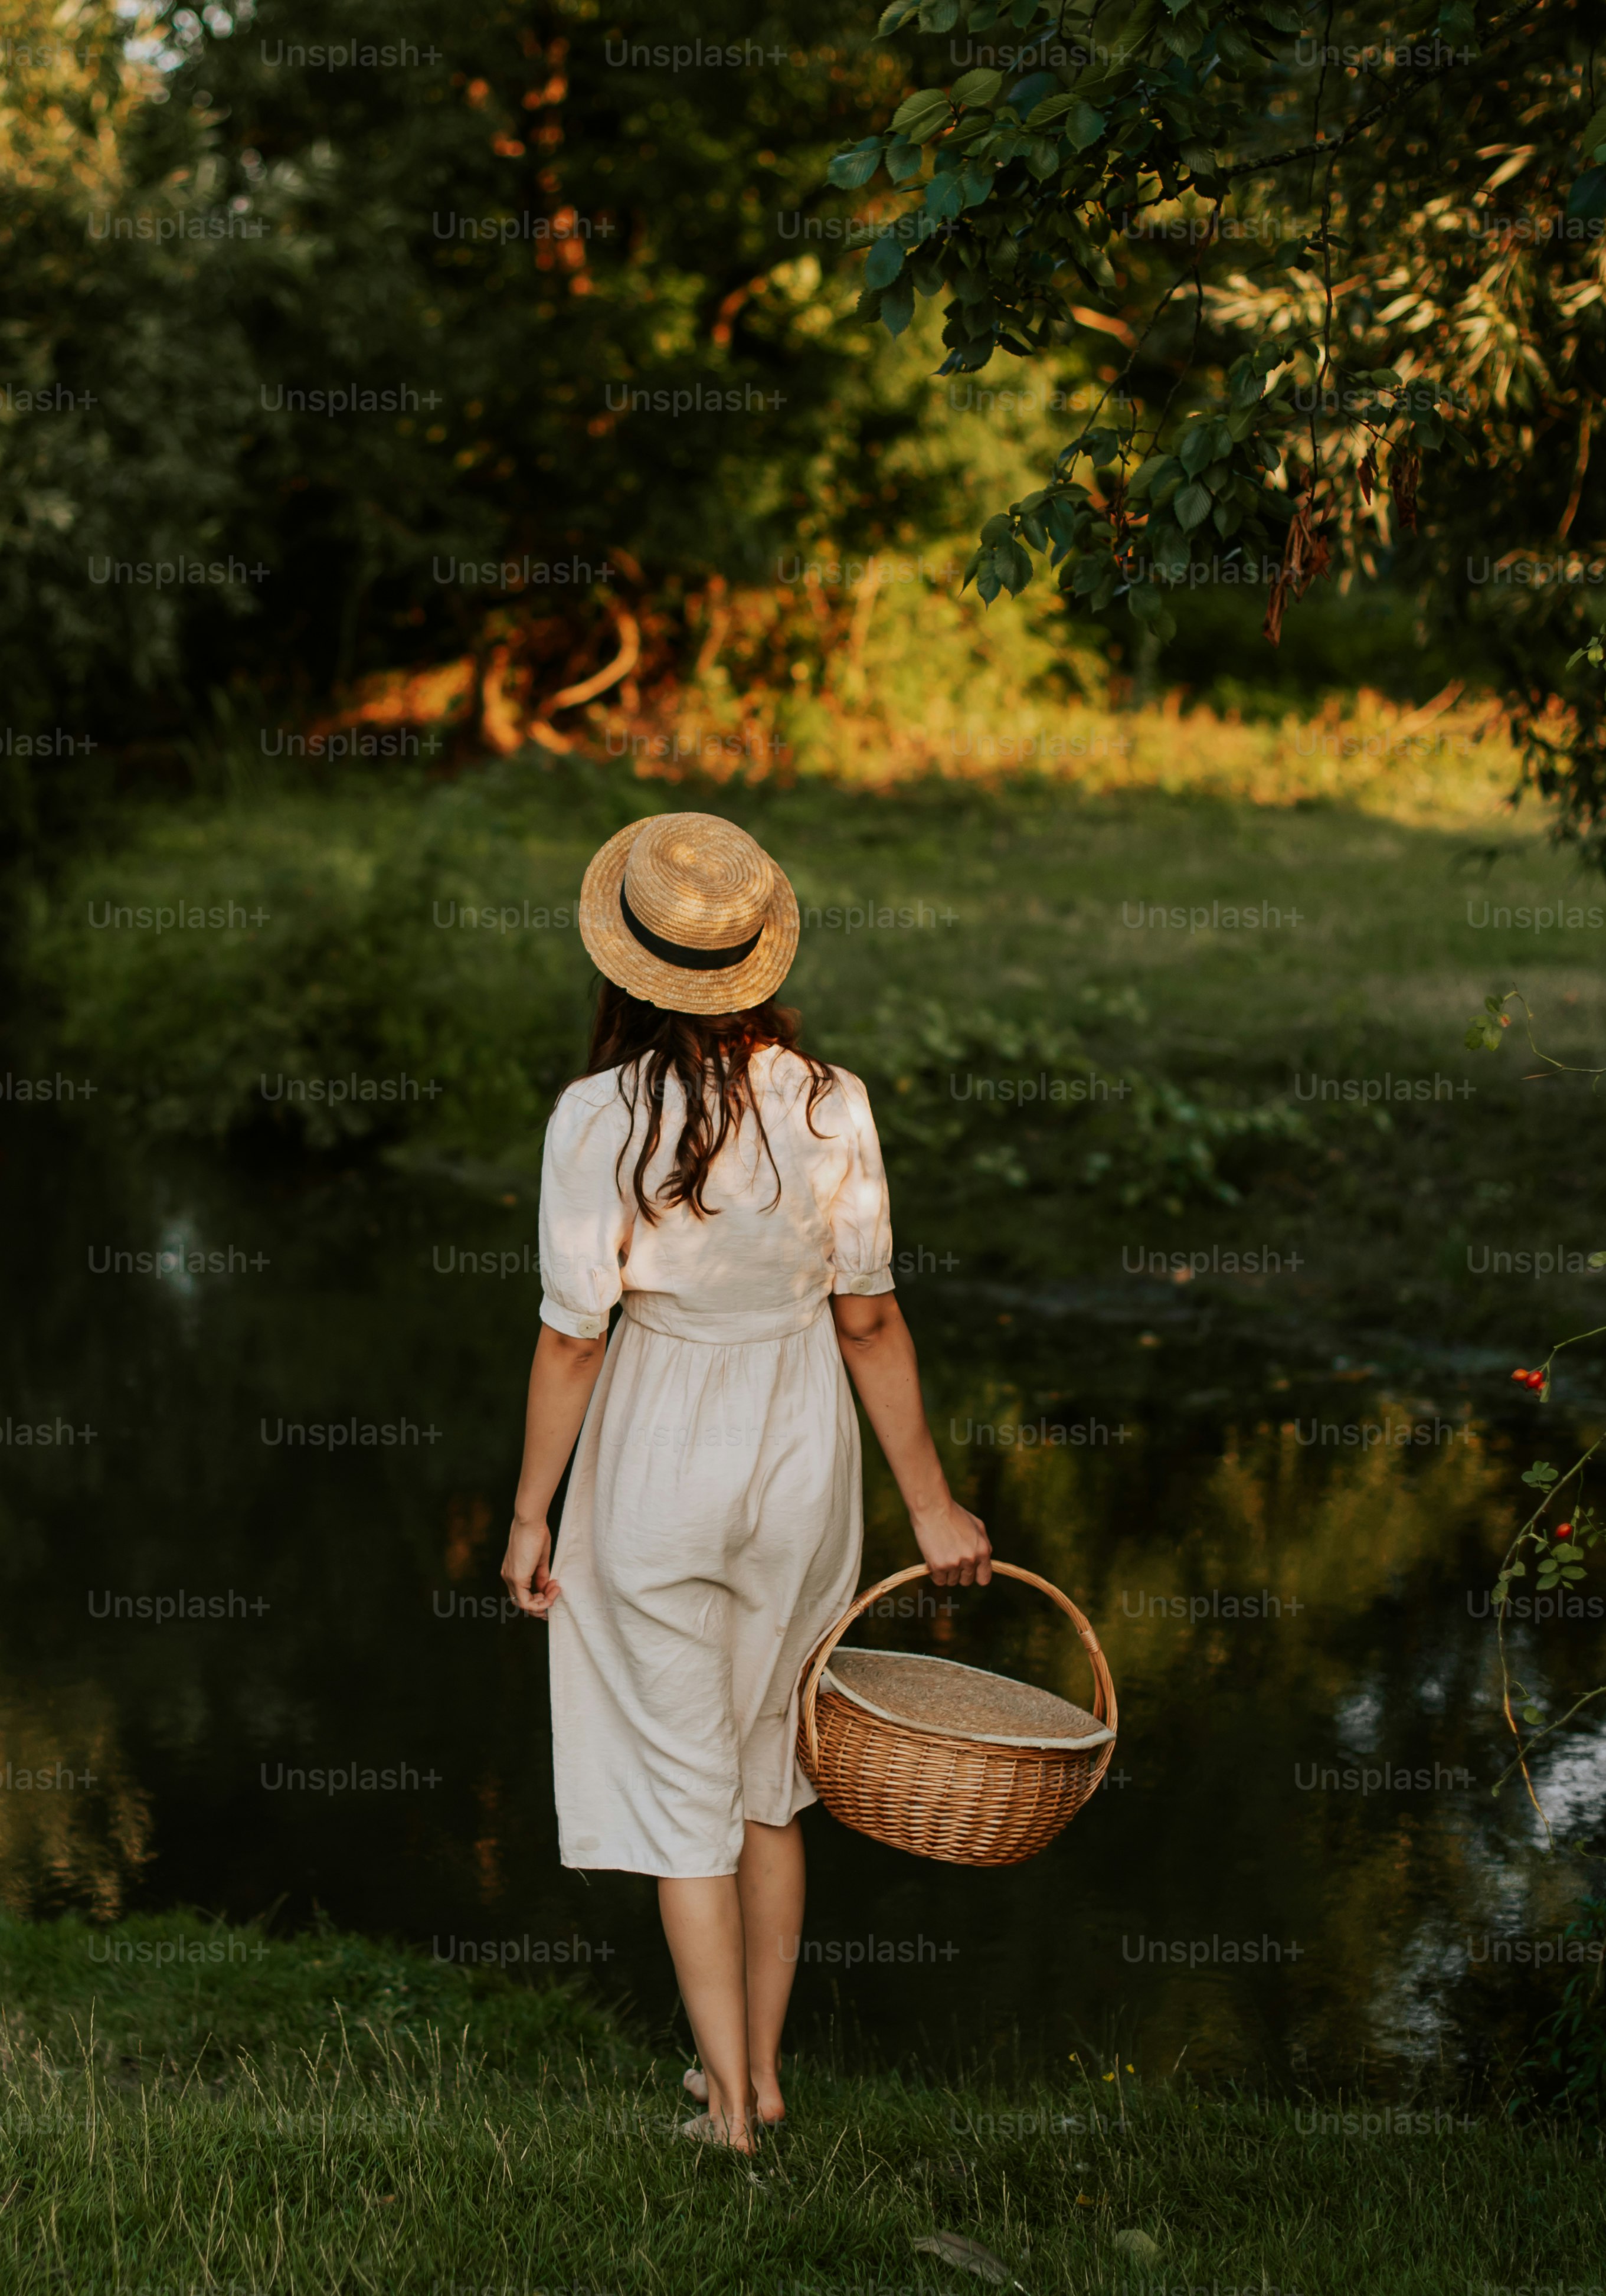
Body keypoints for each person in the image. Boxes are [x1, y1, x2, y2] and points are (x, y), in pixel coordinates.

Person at [499, 810, 990, 2153]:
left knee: (684, 1789)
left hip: (657, 1450)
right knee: (772, 1775)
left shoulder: (598, 1116)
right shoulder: (834, 1103)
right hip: (800, 1458)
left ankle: (727, 2105)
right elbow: (871, 1320)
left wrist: (534, 1511)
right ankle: (760, 2074)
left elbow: (571, 1336)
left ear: (627, 967)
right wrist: (932, 1503)